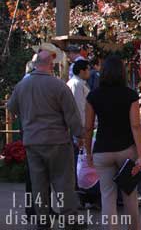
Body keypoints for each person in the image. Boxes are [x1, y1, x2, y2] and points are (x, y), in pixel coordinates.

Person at [8, 50, 84, 228]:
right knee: (63, 181)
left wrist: (27, 116)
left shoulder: (22, 86)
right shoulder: (58, 86)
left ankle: (43, 220)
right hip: (57, 140)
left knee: (39, 183)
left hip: (32, 141)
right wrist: (79, 135)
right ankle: (69, 219)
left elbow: (12, 106)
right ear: (51, 65)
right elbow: (71, 114)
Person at [84, 55, 141, 230]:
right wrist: (140, 155)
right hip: (126, 150)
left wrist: (88, 152)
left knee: (107, 195)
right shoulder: (130, 95)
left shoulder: (93, 96)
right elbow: (136, 125)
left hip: (102, 150)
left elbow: (88, 127)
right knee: (130, 194)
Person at [68, 60, 91, 131]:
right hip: (80, 126)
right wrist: (84, 127)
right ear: (82, 71)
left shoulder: (78, 83)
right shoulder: (77, 84)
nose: (89, 72)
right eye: (88, 69)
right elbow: (79, 107)